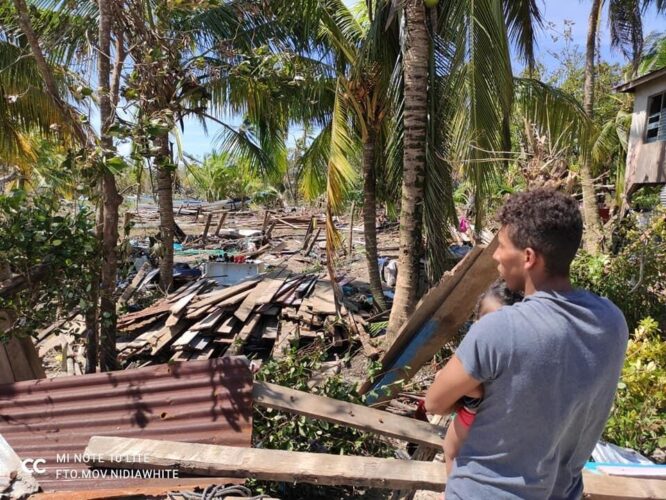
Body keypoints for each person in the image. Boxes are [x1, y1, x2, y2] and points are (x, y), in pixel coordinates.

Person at [425, 189, 629, 500]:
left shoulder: (500, 329)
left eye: (502, 247)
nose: (495, 255)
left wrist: (476, 393)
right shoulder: (612, 321)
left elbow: (434, 402)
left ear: (529, 258)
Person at [442, 280, 523, 479]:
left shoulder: (481, 348)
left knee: (452, 451)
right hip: (485, 419)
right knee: (456, 453)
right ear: (476, 319)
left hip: (477, 414)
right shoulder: (513, 350)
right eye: (486, 321)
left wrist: (472, 393)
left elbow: (441, 393)